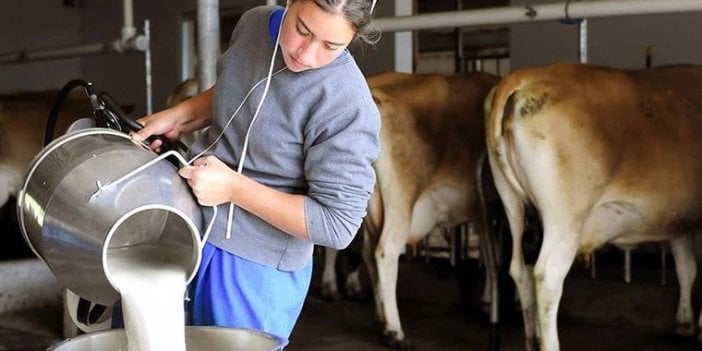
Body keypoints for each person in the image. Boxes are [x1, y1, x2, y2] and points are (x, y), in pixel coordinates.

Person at [131, 0, 381, 344]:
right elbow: (243, 87)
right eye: (301, 30)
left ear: (353, 37)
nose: (305, 55)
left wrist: (235, 189)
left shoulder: (346, 105)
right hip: (188, 225)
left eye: (330, 46)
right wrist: (180, 115)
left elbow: (337, 225)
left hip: (253, 269)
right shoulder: (254, 24)